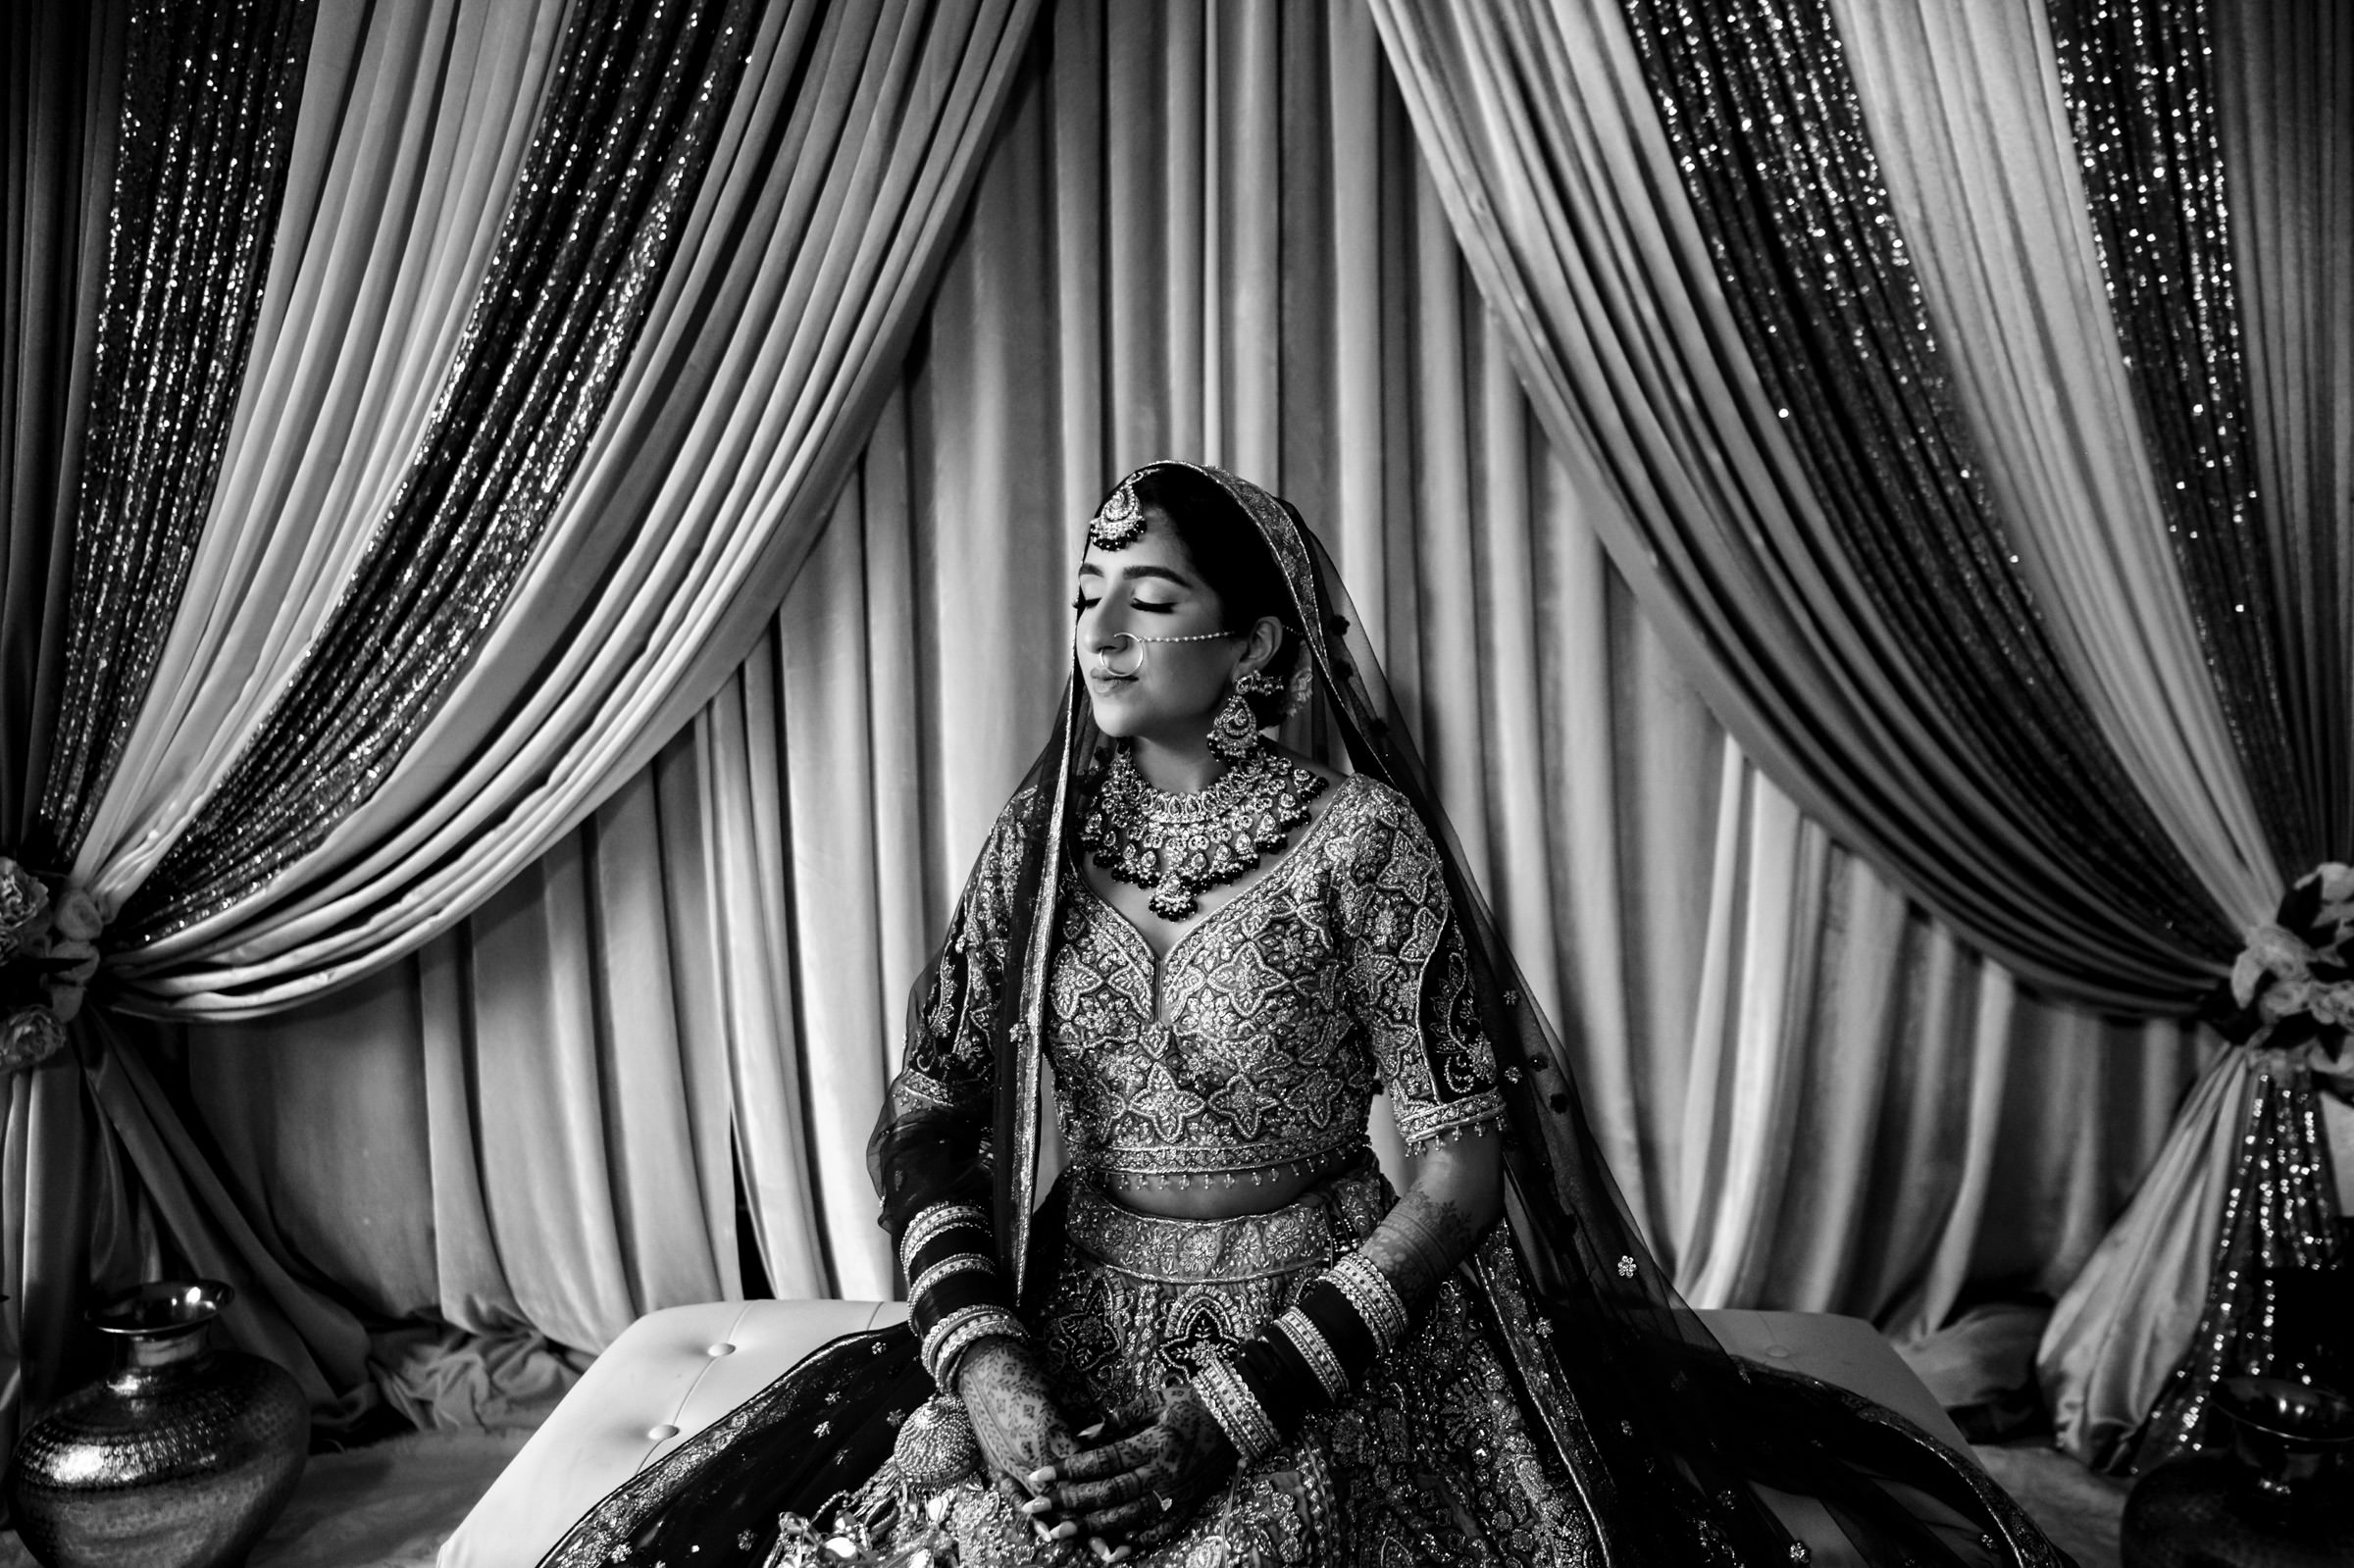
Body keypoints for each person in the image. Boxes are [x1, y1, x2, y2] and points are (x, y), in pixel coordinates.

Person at [543, 464, 2068, 1567]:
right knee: (957, 1520)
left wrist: (1244, 1403)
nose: (1101, 631)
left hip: (1319, 1317)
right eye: (1088, 596)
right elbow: (930, 1105)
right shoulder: (1040, 844)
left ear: (1260, 645)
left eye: (1152, 597)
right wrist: (985, 1357)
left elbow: (1464, 1171)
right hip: (1076, 1306)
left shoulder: (1361, 847)